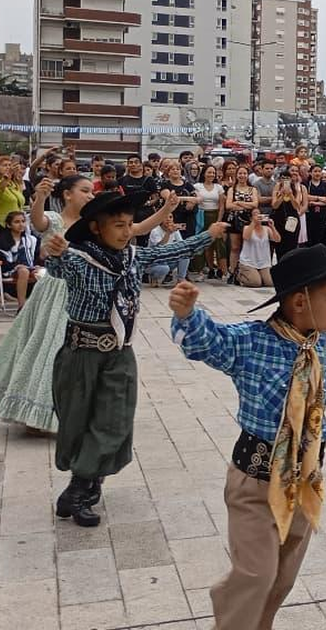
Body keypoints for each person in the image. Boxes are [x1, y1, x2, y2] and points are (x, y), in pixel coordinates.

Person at [167, 246, 326, 630]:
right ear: (300, 301)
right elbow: (209, 342)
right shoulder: (252, 342)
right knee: (255, 574)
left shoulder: (324, 348)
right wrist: (187, 313)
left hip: (304, 481)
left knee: (281, 578)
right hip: (255, 482)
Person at [42, 191, 227, 527]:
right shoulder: (79, 258)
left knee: (113, 421)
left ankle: (81, 489)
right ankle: (83, 488)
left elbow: (171, 250)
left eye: (129, 225)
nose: (127, 232)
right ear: (96, 228)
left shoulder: (131, 257)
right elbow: (56, 266)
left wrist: (207, 236)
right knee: (77, 422)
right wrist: (52, 252)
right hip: (81, 353)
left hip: (118, 353)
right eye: (118, 226)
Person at [0, 177, 172, 435]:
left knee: (65, 353)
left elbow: (139, 229)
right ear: (68, 194)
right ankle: (38, 412)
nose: (90, 196)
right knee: (48, 349)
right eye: (85, 191)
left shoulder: (95, 226)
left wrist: (166, 210)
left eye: (91, 191)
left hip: (83, 296)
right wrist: (41, 197)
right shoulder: (55, 219)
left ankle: (60, 414)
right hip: (55, 293)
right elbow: (38, 222)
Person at [0, 210, 40, 308]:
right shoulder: (1, 241)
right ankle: (22, 307)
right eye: (17, 222)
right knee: (23, 271)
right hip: (9, 269)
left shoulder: (31, 239)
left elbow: (37, 257)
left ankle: (41, 307)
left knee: (43, 272)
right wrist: (17, 266)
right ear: (8, 225)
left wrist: (37, 265)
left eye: (23, 221)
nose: (21, 224)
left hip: (30, 267)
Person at [237, 210, 280, 288]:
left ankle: (259, 275)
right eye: (255, 214)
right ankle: (239, 276)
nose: (258, 216)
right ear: (251, 218)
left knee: (270, 283)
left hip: (263, 263)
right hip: (248, 262)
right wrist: (253, 223)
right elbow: (246, 237)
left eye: (259, 214)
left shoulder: (266, 229)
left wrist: (272, 227)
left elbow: (277, 239)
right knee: (255, 283)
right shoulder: (247, 228)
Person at [146, 217, 191, 287]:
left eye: (170, 217)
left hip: (168, 258)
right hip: (155, 260)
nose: (168, 219)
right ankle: (154, 277)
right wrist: (168, 233)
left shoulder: (175, 229)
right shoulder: (155, 231)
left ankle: (180, 280)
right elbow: (159, 248)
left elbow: (182, 244)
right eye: (165, 217)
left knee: (185, 255)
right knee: (164, 268)